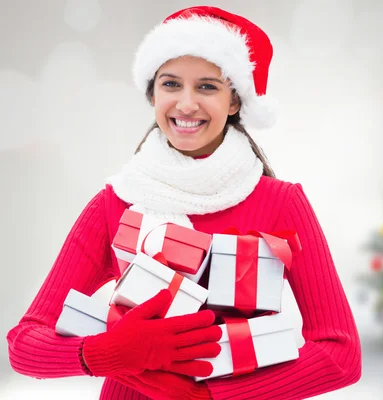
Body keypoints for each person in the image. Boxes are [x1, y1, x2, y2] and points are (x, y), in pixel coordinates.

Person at [6, 5, 361, 400]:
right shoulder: (115, 203)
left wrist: (211, 398)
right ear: (152, 94)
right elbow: (24, 346)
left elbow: (340, 355)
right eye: (171, 84)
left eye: (207, 86)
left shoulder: (281, 204)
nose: (186, 104)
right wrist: (108, 353)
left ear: (235, 102)